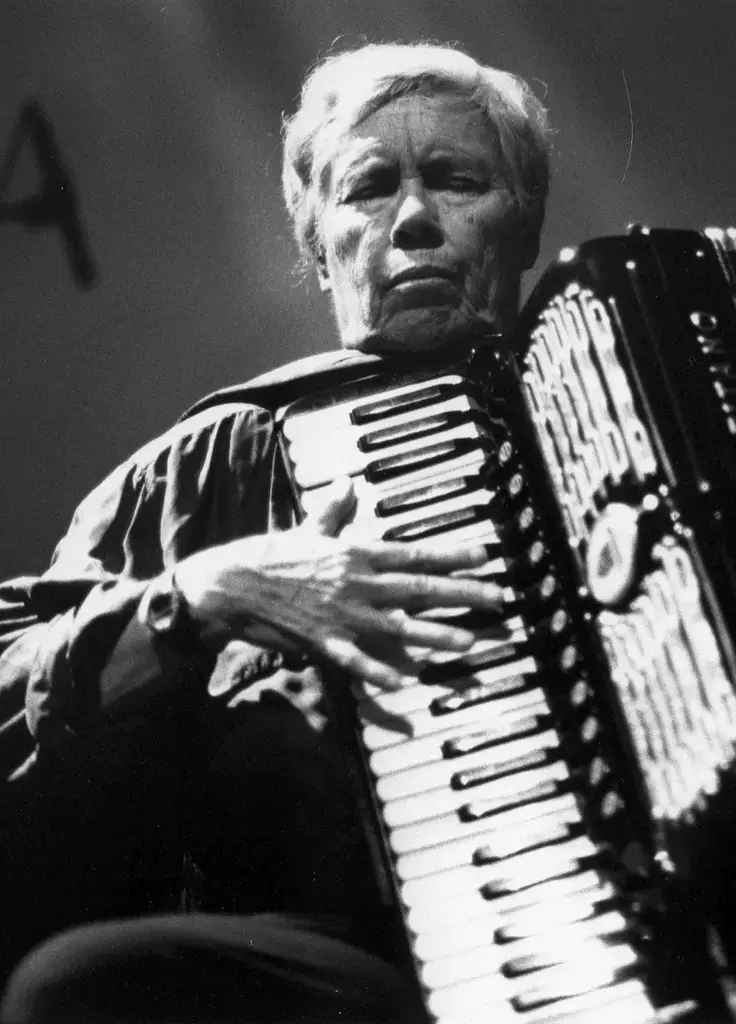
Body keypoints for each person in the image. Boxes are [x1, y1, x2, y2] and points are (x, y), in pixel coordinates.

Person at [0, 39, 550, 1023]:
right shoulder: (220, 458)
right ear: (319, 241)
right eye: (369, 187)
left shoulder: (624, 420)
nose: (414, 220)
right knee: (77, 989)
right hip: (348, 968)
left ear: (523, 227)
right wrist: (205, 593)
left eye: (458, 181)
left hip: (644, 916)